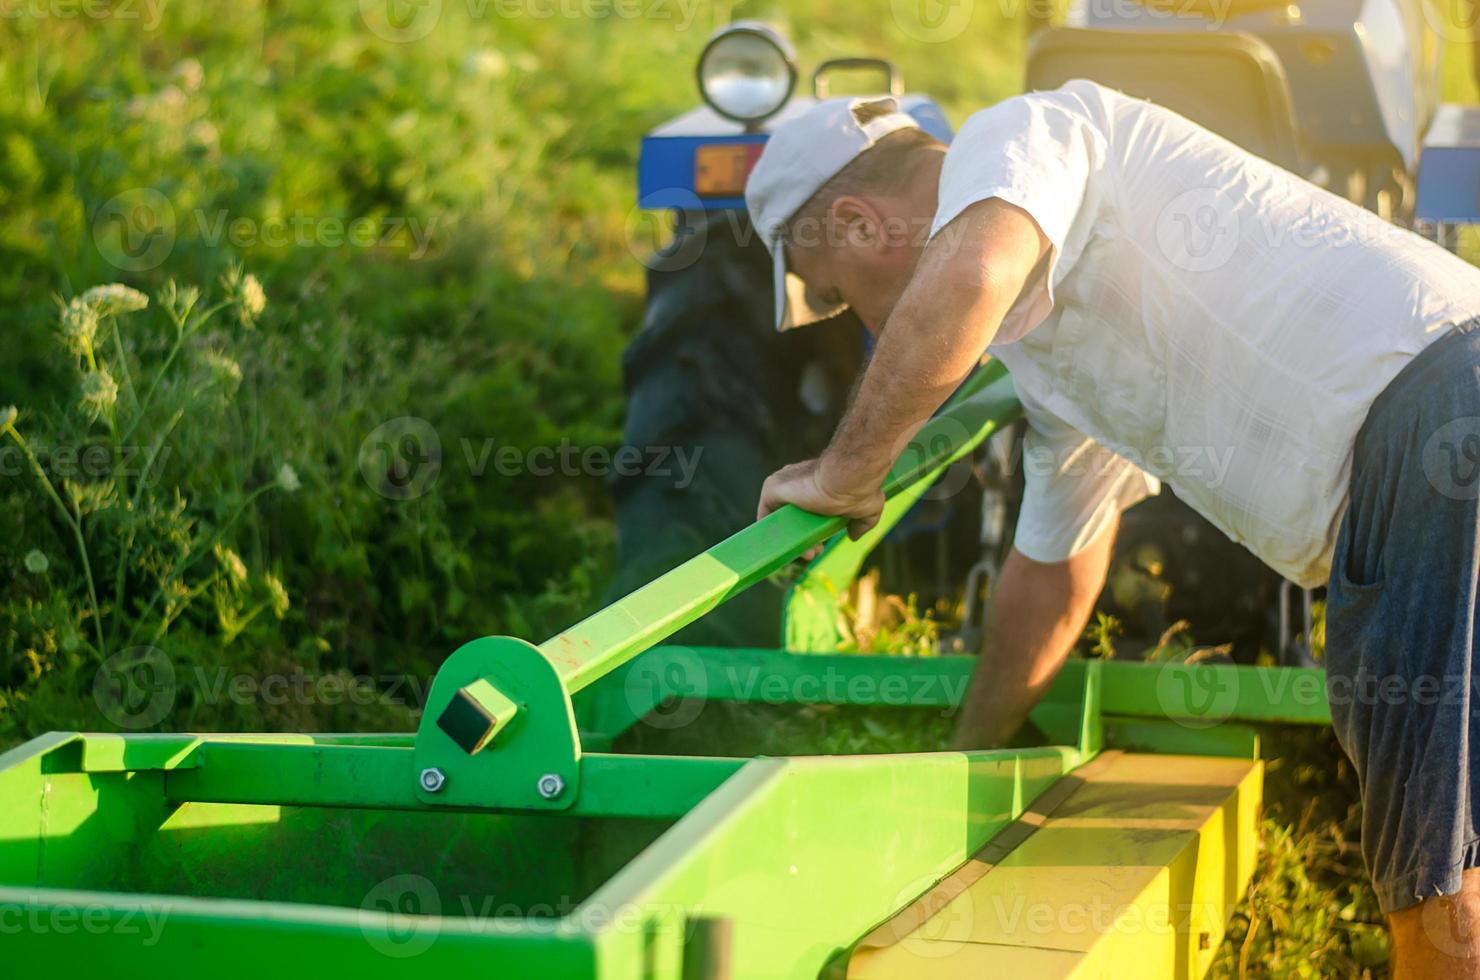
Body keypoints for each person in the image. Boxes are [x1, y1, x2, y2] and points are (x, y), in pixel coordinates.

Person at [746, 82, 1480, 977]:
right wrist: (961, 773)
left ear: (859, 224)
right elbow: (1054, 577)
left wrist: (844, 473)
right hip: (1415, 476)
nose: (860, 323)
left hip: (1439, 433)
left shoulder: (1026, 130)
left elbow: (973, 273)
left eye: (835, 293)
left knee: (1436, 887)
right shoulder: (1054, 360)